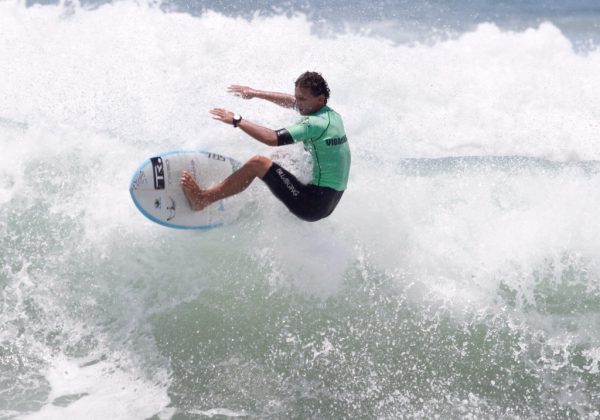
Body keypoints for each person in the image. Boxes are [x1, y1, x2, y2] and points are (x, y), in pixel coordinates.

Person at [180, 71, 350, 222]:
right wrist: (255, 93)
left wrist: (237, 120)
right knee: (283, 157)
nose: (297, 103)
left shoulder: (314, 124)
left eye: (302, 99)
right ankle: (246, 184)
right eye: (297, 97)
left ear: (320, 99)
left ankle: (203, 199)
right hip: (329, 202)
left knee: (258, 163)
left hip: (312, 204)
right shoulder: (331, 116)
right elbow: (292, 102)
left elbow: (272, 138)